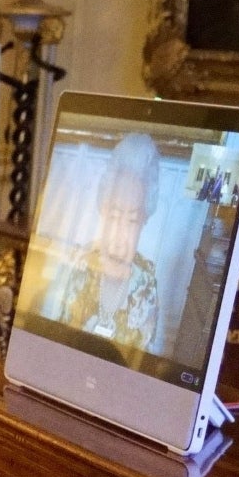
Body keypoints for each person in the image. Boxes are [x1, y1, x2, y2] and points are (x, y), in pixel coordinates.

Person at [52, 130, 162, 357]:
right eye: (113, 216)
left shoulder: (147, 282)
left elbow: (142, 362)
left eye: (131, 220)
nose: (119, 234)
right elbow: (57, 342)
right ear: (103, 209)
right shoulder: (79, 263)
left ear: (144, 221)